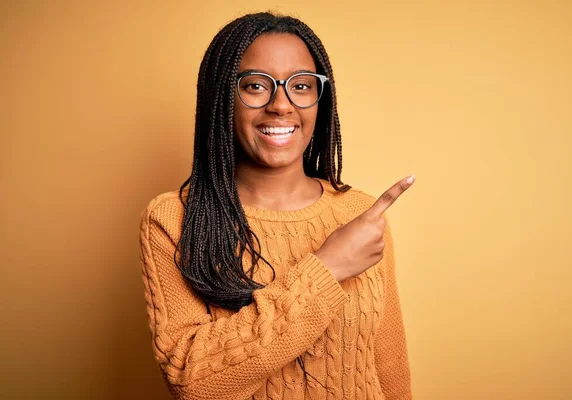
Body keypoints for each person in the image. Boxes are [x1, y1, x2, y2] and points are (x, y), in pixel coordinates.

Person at [139, 11, 415, 400]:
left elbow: (388, 366)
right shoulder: (175, 221)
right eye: (255, 85)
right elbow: (193, 381)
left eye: (301, 86)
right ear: (222, 97)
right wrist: (326, 268)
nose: (281, 105)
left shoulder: (359, 213)